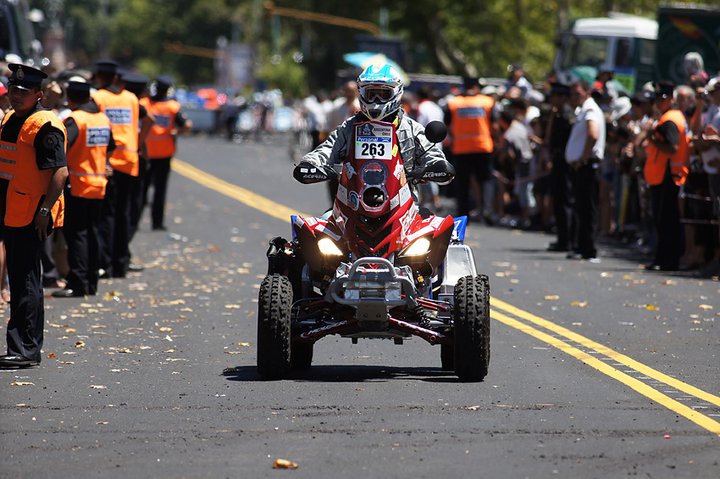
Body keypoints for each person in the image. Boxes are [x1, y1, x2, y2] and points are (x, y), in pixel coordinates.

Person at [298, 63, 452, 200]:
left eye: (383, 94)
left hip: (404, 205)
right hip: (353, 204)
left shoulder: (411, 128)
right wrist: (311, 163)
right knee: (313, 229)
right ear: (361, 94)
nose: (376, 100)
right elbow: (327, 149)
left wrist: (436, 165)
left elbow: (434, 157)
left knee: (438, 228)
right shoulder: (349, 127)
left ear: (397, 93)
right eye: (371, 94)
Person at [0, 64, 68, 369]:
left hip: (31, 214)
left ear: (39, 95)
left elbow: (60, 172)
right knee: (22, 278)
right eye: (13, 90)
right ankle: (25, 346)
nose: (15, 96)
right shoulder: (12, 119)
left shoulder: (45, 126)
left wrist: (44, 211)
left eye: (23, 92)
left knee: (26, 280)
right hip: (11, 210)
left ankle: (25, 348)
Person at [53, 80, 115, 298]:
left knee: (77, 235)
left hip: (77, 185)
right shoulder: (102, 118)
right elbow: (111, 147)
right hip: (98, 184)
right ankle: (91, 282)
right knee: (92, 233)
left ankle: (77, 283)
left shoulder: (75, 120)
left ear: (69, 99)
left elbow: (60, 148)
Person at [92, 60, 152, 278]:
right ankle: (121, 263)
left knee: (107, 215)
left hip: (107, 161)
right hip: (128, 160)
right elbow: (149, 120)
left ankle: (105, 265)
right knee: (123, 213)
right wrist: (139, 142)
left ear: (99, 77)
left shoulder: (98, 97)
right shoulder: (131, 98)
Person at [642, 82, 690, 271]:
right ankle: (665, 258)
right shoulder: (673, 117)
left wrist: (651, 137)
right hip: (666, 175)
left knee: (665, 220)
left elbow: (672, 147)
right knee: (666, 219)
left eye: (661, 98)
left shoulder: (670, 119)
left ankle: (666, 260)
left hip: (668, 175)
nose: (658, 102)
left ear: (670, 99)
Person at [140, 75, 191, 231]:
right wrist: (176, 132)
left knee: (141, 189)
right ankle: (157, 222)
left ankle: (134, 220)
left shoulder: (144, 104)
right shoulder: (172, 107)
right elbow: (187, 125)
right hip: (164, 153)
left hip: (144, 152)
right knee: (160, 190)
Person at [445, 76, 497, 221]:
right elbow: (494, 126)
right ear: (476, 87)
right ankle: (487, 211)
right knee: (486, 181)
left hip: (461, 149)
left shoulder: (454, 103)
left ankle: (463, 215)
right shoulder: (487, 102)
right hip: (483, 147)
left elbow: (448, 126)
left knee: (463, 184)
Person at [565, 79, 606, 262]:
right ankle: (581, 246)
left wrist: (582, 158)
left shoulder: (590, 110)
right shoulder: (583, 110)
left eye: (578, 93)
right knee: (581, 207)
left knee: (587, 208)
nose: (574, 97)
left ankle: (589, 248)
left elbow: (593, 134)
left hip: (587, 165)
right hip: (582, 165)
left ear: (587, 92)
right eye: (572, 94)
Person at [544, 82, 574, 251]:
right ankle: (562, 238)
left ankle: (567, 240)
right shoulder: (557, 114)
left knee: (565, 200)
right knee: (558, 200)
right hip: (557, 160)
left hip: (565, 162)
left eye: (555, 96)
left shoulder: (568, 115)